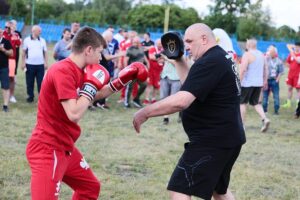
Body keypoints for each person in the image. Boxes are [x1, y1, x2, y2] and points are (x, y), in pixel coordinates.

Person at [25, 26, 148, 199]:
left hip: (65, 146)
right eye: (99, 52)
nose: (101, 57)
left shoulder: (80, 71)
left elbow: (92, 95)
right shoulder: (62, 71)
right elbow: (74, 113)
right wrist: (90, 87)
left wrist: (122, 80)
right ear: (88, 50)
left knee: (90, 188)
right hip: (48, 149)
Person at [133, 23, 245, 200]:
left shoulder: (209, 62)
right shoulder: (218, 57)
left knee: (179, 188)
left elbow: (182, 101)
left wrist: (146, 112)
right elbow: (191, 85)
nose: (186, 46)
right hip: (228, 138)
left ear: (204, 39)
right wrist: (178, 59)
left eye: (189, 41)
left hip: (212, 141)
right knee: (218, 190)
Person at [239, 38, 270, 132]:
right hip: (258, 83)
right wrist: (265, 80)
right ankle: (265, 119)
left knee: (242, 103)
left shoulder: (247, 54)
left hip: (247, 83)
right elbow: (266, 69)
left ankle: (242, 125)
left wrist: (238, 81)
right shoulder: (261, 54)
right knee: (256, 103)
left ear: (248, 45)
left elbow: (243, 69)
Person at [21, 25, 48, 103]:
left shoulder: (43, 40)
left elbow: (45, 53)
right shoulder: (26, 40)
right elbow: (23, 52)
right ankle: (30, 96)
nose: (40, 32)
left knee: (41, 82)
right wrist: (23, 63)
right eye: (39, 31)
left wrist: (46, 63)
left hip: (40, 65)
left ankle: (41, 97)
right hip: (29, 64)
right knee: (29, 82)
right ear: (33, 31)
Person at [124, 36, 149, 108]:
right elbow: (125, 60)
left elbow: (144, 57)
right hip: (132, 71)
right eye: (135, 42)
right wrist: (126, 70)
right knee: (129, 87)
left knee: (144, 85)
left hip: (140, 72)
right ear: (132, 42)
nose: (137, 44)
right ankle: (127, 103)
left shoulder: (141, 48)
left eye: (138, 42)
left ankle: (136, 99)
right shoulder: (130, 49)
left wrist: (147, 64)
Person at [262, 45, 284, 115]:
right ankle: (264, 110)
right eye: (269, 52)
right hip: (267, 80)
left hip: (274, 80)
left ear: (275, 53)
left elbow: (281, 71)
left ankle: (276, 110)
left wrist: (278, 79)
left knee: (276, 96)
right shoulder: (266, 59)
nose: (270, 53)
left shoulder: (279, 61)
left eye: (271, 52)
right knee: (265, 95)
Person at [3, 20, 21, 103]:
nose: (7, 28)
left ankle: (11, 95)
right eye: (5, 27)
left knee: (11, 78)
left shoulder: (15, 35)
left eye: (8, 27)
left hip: (11, 60)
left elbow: (18, 44)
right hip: (2, 59)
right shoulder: (2, 34)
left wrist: (14, 35)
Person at [159, 59, 181, 125]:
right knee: (164, 98)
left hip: (176, 78)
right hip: (165, 76)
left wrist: (165, 58)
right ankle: (166, 118)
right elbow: (160, 61)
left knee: (174, 100)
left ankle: (181, 113)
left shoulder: (180, 51)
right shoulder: (166, 51)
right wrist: (161, 59)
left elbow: (177, 63)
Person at [143, 38, 164, 104]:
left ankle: (153, 98)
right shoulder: (152, 49)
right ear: (156, 43)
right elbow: (151, 57)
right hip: (151, 70)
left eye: (161, 44)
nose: (160, 45)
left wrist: (158, 58)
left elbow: (165, 59)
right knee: (149, 85)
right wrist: (160, 58)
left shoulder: (163, 50)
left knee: (156, 86)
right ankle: (146, 99)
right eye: (158, 43)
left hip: (159, 71)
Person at [282, 42, 300, 109]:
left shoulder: (297, 54)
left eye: (298, 47)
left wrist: (292, 52)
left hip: (298, 76)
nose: (297, 48)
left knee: (298, 90)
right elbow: (287, 63)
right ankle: (288, 103)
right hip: (290, 75)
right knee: (289, 88)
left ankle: (298, 104)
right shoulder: (291, 54)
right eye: (296, 46)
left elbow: (298, 61)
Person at [0, 27, 13, 112]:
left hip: (3, 68)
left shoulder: (6, 41)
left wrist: (3, 50)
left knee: (5, 87)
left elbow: (11, 53)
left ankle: (5, 106)